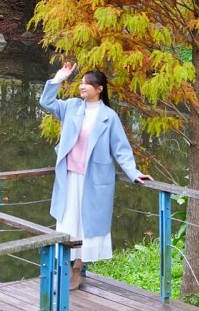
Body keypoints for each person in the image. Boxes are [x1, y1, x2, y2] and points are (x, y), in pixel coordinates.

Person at [40, 61, 150, 290]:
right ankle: (66, 267)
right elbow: (46, 102)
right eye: (81, 83)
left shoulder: (109, 117)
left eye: (87, 84)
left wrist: (134, 173)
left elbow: (121, 149)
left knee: (88, 225)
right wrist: (59, 78)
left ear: (99, 89)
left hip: (94, 179)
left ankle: (77, 269)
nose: (82, 87)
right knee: (68, 223)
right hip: (70, 177)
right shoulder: (71, 107)